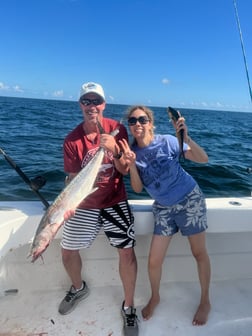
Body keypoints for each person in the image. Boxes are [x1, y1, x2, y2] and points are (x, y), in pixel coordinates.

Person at [59, 82, 138, 336]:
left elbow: (125, 170)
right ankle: (78, 287)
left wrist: (114, 149)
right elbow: (72, 179)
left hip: (114, 199)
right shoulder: (72, 140)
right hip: (85, 203)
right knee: (68, 252)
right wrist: (68, 203)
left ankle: (128, 307)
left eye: (96, 101)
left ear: (104, 104)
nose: (91, 106)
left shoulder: (118, 129)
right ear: (80, 105)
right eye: (86, 101)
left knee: (127, 253)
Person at [120, 105, 211, 326]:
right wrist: (132, 165)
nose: (137, 124)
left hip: (189, 199)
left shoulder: (168, 141)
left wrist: (186, 136)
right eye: (132, 121)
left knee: (198, 253)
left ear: (150, 123)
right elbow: (138, 188)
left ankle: (205, 300)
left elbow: (203, 159)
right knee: (153, 261)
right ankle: (156, 296)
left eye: (142, 119)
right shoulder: (133, 152)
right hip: (162, 207)